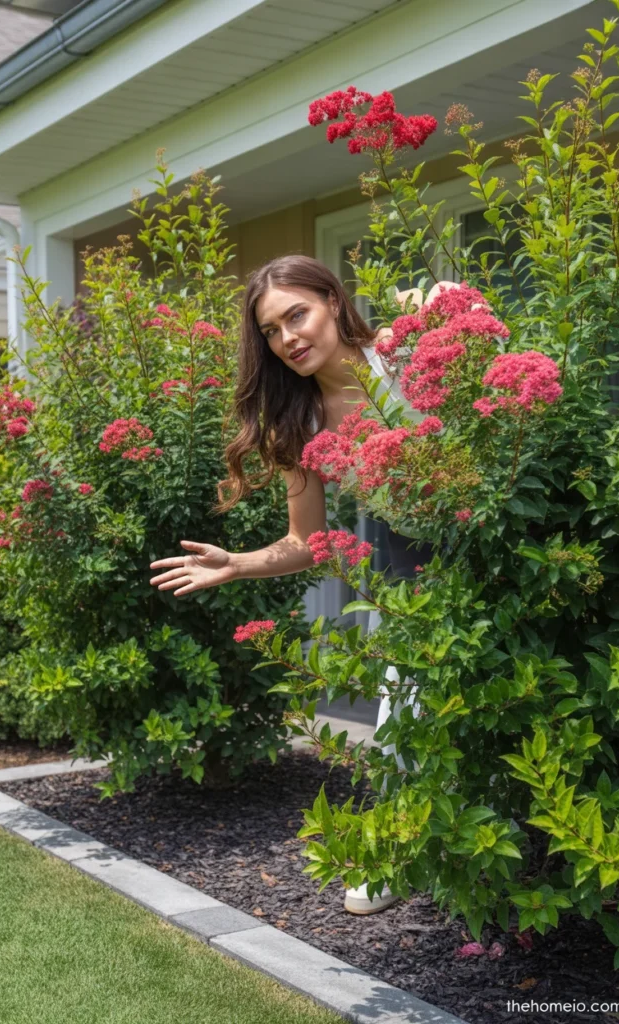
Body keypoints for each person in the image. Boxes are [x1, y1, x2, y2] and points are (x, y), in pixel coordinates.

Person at [149, 255, 456, 915]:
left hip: (495, 545)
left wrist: (465, 322)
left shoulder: (402, 359)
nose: (288, 337)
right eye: (271, 330)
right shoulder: (301, 424)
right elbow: (305, 542)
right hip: (412, 577)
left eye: (297, 314)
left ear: (331, 301)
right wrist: (234, 562)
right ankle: (397, 857)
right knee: (405, 729)